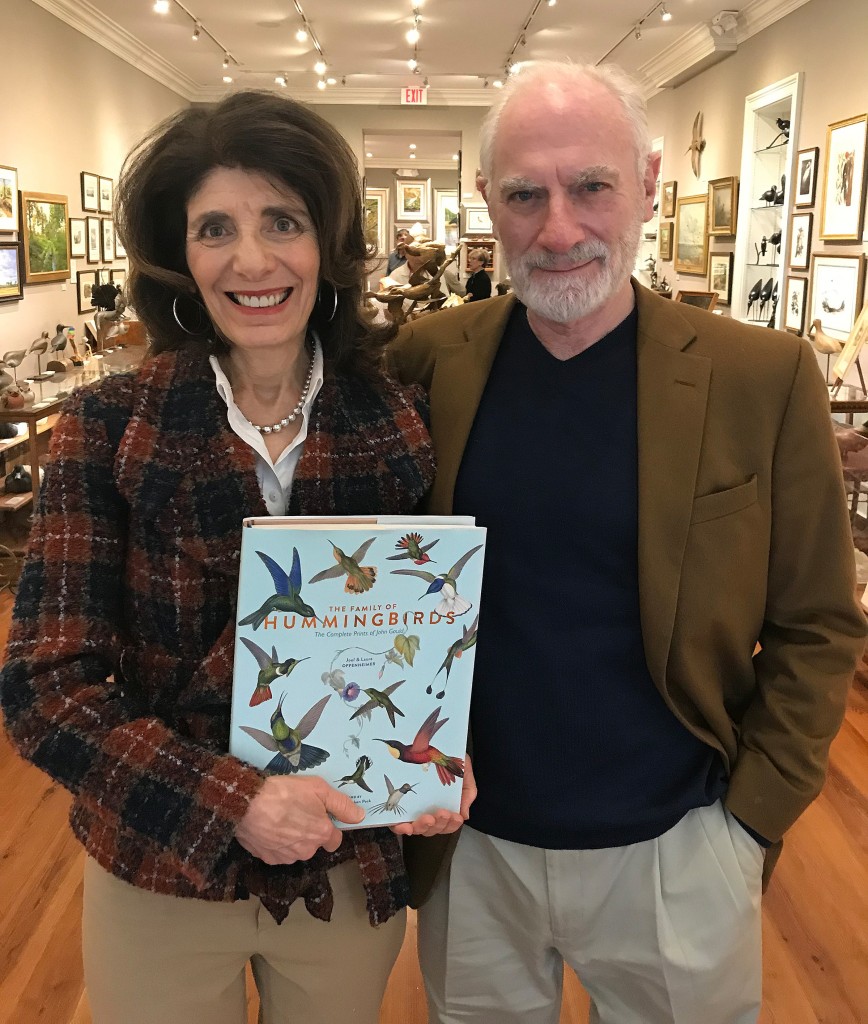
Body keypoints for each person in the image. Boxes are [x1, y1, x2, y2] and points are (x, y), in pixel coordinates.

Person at [389, 60, 867, 1024]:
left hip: (678, 849)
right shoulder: (426, 360)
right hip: (472, 849)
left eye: (591, 186)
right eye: (525, 194)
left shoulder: (760, 377)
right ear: (487, 202)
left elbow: (818, 620)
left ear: (649, 184)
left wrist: (749, 823)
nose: (558, 229)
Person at [0, 90, 474, 1024]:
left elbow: (435, 634)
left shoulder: (402, 420)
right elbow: (45, 688)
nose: (251, 260)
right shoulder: (106, 426)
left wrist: (436, 761)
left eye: (282, 222)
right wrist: (231, 801)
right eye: (215, 227)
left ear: (328, 245)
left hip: (343, 863)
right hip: (160, 869)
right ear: (180, 256)